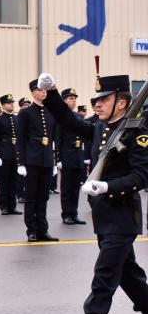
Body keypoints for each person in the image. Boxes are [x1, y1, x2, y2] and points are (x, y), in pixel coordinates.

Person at [38, 72, 148, 314]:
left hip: (123, 216)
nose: (96, 105)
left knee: (105, 277)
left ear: (123, 102)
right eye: (95, 100)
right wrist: (52, 93)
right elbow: (69, 121)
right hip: (104, 216)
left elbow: (142, 175)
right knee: (130, 277)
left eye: (104, 100)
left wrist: (109, 186)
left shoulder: (138, 131)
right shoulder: (102, 128)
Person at [18, 80, 59, 243]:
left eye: (45, 90)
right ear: (33, 92)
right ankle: (31, 231)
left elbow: (54, 138)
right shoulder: (25, 113)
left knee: (43, 196)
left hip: (47, 158)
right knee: (31, 197)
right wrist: (20, 162)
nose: (44, 92)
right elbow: (20, 139)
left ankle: (43, 229)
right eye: (40, 90)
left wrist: (55, 161)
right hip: (31, 158)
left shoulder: (50, 111)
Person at [57, 88, 87, 225]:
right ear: (64, 101)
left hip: (78, 155)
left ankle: (74, 213)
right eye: (70, 98)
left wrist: (85, 155)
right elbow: (57, 139)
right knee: (67, 188)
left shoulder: (79, 116)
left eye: (75, 98)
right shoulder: (60, 117)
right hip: (66, 155)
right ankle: (66, 214)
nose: (74, 101)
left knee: (76, 187)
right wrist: (58, 159)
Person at [0, 95, 23, 215]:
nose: (12, 105)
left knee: (14, 181)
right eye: (9, 103)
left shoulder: (16, 118)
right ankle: (4, 206)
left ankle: (12, 206)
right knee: (3, 182)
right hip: (4, 154)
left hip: (15, 154)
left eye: (12, 103)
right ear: (3, 105)